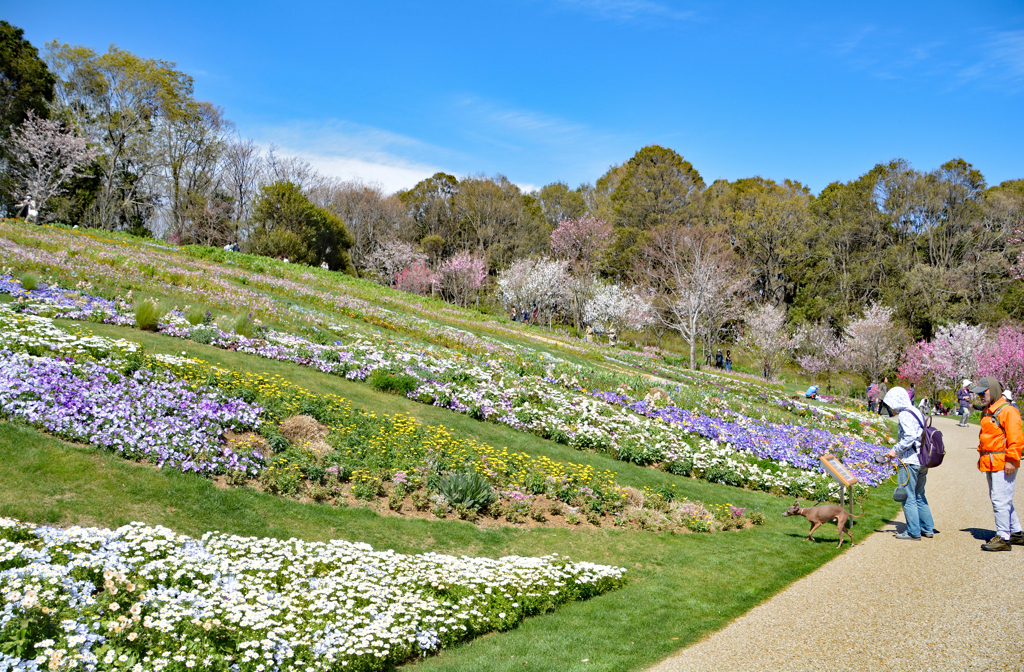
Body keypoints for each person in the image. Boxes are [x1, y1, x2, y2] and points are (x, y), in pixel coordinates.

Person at [971, 377, 1023, 551]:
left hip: (1003, 462)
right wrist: (982, 457)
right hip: (992, 461)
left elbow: (1016, 439)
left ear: (992, 390)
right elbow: (985, 438)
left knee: (999, 500)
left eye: (982, 392)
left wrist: (1011, 460)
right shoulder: (989, 411)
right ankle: (1015, 532)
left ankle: (1003, 538)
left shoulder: (1007, 411)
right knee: (1002, 499)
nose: (979, 395)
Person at [881, 386, 935, 541]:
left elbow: (909, 436)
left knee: (908, 496)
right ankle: (927, 527)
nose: (891, 408)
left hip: (910, 460)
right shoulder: (916, 411)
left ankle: (913, 532)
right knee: (919, 494)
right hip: (923, 458)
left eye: (890, 404)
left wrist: (895, 450)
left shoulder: (905, 414)